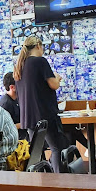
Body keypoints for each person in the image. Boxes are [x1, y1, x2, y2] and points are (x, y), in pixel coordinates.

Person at [14, 35, 68, 173]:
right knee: (56, 148)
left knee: (37, 151)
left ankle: (40, 180)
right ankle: (58, 180)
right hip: (44, 114)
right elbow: (54, 85)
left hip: (28, 117)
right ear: (38, 46)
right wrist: (57, 77)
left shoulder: (19, 65)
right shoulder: (40, 61)